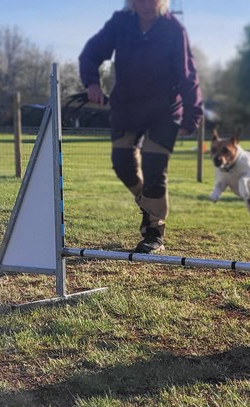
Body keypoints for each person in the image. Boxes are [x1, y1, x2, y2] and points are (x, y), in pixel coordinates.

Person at [80, 0, 203, 254]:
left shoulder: (173, 29)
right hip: (127, 109)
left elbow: (187, 74)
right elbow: (92, 52)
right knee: (123, 165)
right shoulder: (120, 22)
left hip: (164, 112)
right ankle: (149, 205)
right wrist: (92, 82)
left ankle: (154, 232)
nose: (146, 4)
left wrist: (193, 114)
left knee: (154, 166)